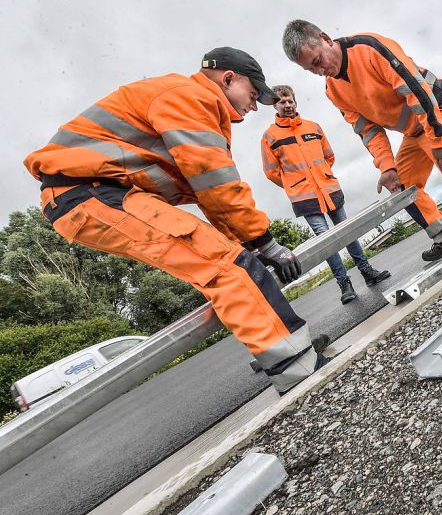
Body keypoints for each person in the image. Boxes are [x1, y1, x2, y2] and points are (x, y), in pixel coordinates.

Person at [24, 47, 326, 394]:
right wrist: (265, 243)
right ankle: (300, 369)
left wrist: (249, 244)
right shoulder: (191, 98)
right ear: (228, 79)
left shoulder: (187, 101)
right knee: (227, 267)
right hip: (88, 193)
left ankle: (289, 354)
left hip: (95, 195)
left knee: (234, 259)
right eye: (253, 93)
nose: (254, 106)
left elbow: (208, 195)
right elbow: (218, 185)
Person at [281, 20, 442, 262]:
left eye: (318, 61)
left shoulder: (370, 48)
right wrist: (387, 167)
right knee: (401, 188)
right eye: (311, 70)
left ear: (326, 39)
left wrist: (437, 140)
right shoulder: (333, 90)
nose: (320, 72)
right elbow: (368, 131)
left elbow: (417, 92)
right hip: (413, 131)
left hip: (436, 112)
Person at [260, 85, 390, 304]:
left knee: (348, 233)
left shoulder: (314, 127)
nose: (287, 105)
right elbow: (271, 172)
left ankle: (367, 272)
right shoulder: (270, 136)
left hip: (329, 189)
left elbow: (329, 156)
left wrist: (322, 176)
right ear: (275, 105)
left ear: (295, 101)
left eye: (290, 100)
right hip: (304, 197)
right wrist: (295, 184)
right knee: (326, 242)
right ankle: (344, 284)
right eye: (282, 102)